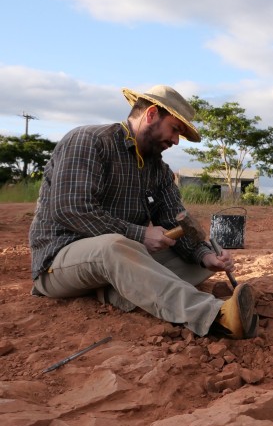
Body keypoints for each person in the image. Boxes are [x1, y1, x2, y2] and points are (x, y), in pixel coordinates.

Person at [29, 85, 257, 339]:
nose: (175, 140)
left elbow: (175, 219)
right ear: (150, 115)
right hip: (60, 263)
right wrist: (139, 234)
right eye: (175, 129)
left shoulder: (158, 170)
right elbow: (70, 210)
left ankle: (120, 292)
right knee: (113, 246)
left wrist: (205, 255)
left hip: (121, 257)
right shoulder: (89, 141)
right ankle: (216, 317)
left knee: (199, 264)